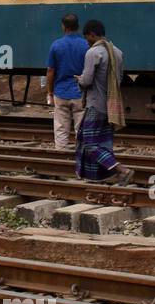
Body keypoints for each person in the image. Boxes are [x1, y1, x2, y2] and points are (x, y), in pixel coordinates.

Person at [74, 20, 134, 185]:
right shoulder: (117, 52)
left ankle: (121, 169)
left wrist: (78, 80)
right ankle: (102, 176)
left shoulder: (93, 53)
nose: (87, 41)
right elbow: (119, 78)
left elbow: (86, 81)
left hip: (95, 104)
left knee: (89, 143)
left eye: (87, 37)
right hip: (111, 105)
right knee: (103, 143)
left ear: (92, 34)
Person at [46, 13, 89, 151]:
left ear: (63, 26)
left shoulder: (56, 45)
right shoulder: (86, 45)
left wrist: (50, 92)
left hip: (61, 92)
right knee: (81, 129)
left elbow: (50, 71)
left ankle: (61, 154)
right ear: (78, 26)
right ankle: (81, 158)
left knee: (60, 128)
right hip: (80, 93)